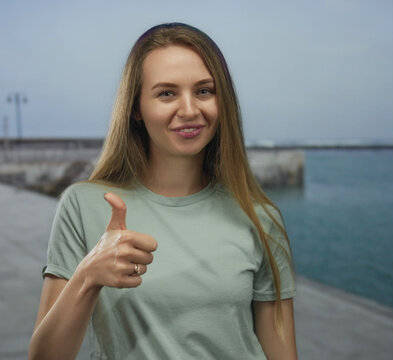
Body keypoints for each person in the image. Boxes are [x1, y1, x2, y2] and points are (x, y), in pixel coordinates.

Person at [29, 23, 298, 360]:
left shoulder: (261, 218)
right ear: (136, 108)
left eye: (204, 91)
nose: (189, 110)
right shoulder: (83, 205)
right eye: (167, 93)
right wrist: (89, 275)